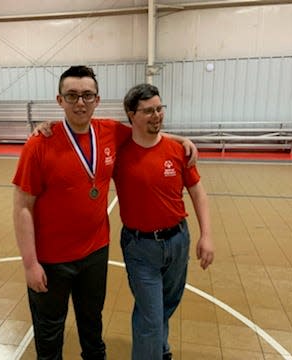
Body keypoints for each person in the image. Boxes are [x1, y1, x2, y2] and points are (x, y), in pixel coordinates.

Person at [12, 65, 197, 360]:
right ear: (60, 101)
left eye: (87, 95)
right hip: (50, 260)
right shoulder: (39, 143)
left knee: (92, 329)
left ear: (97, 100)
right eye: (72, 96)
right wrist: (30, 263)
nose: (80, 102)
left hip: (94, 254)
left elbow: (148, 130)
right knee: (49, 335)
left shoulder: (109, 131)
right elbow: (22, 207)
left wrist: (181, 141)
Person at [113, 83, 214, 360]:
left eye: (159, 108)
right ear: (132, 115)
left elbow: (199, 194)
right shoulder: (119, 152)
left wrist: (206, 235)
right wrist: (46, 126)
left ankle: (161, 348)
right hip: (140, 247)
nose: (156, 115)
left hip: (178, 241)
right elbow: (84, 129)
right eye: (148, 111)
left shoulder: (178, 150)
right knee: (150, 316)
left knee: (167, 304)